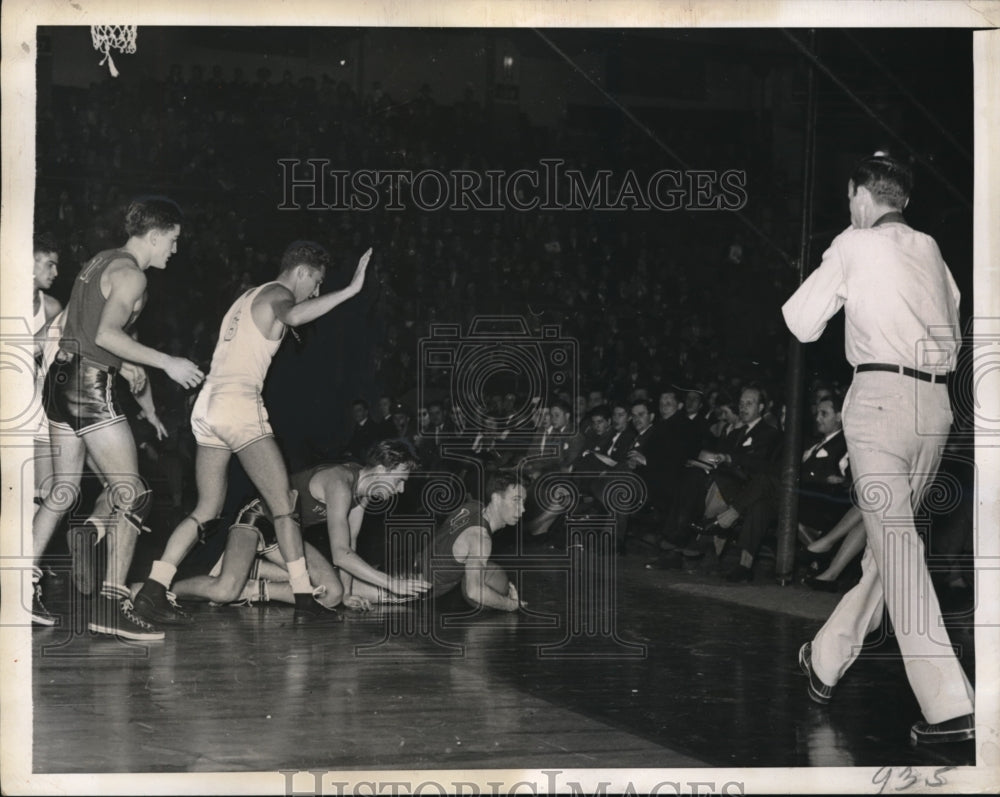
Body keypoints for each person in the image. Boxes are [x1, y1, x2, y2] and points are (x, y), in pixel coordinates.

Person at [782, 152, 974, 745]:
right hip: (936, 408)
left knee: (898, 551)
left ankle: (950, 707)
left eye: (849, 201)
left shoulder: (854, 242)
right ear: (905, 201)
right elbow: (956, 327)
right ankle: (826, 659)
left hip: (880, 403)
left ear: (859, 193)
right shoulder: (932, 250)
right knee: (892, 552)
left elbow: (801, 321)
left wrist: (839, 255)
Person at [133, 242, 371, 625]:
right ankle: (305, 603)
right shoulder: (280, 292)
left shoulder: (248, 296)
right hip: (237, 402)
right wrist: (348, 292)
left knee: (207, 509)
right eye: (318, 283)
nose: (316, 291)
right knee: (284, 506)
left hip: (208, 404)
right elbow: (293, 316)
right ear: (303, 272)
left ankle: (153, 590)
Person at [33, 197, 205, 639]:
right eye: (173, 240)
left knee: (62, 491)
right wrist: (167, 361)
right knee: (135, 494)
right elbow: (106, 333)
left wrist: (128, 370)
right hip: (88, 385)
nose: (175, 249)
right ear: (154, 235)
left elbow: (77, 323)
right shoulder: (131, 273)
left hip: (60, 379)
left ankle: (16, 581)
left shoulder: (98, 262)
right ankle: (111, 607)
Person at [351, 469, 527, 612]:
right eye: (516, 501)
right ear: (496, 499)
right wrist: (509, 604)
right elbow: (475, 592)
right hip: (410, 585)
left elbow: (451, 546)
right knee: (334, 590)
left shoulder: (471, 507)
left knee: (344, 577)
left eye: (523, 502)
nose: (523, 509)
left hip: (403, 564)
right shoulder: (481, 539)